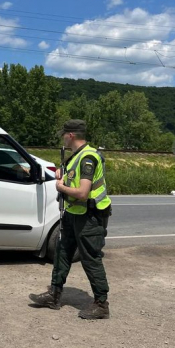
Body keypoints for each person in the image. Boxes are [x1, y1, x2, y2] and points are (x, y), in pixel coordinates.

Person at [29, 119, 113, 319]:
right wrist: (63, 175)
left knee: (90, 259)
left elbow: (83, 192)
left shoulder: (88, 158)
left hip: (90, 217)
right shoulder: (76, 156)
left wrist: (61, 187)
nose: (63, 138)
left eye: (64, 134)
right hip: (74, 214)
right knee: (62, 253)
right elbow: (74, 178)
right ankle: (54, 295)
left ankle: (101, 304)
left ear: (71, 135)